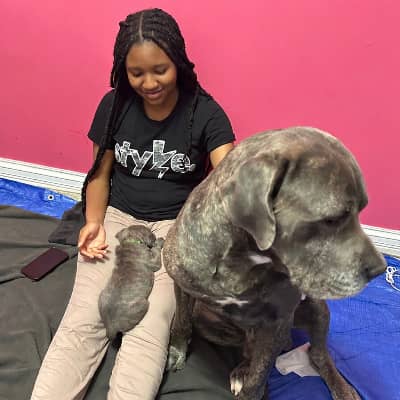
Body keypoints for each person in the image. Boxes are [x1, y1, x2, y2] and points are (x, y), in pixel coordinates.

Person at [30, 7, 235, 400]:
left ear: (178, 61)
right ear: (123, 70)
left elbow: (231, 183)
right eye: (136, 73)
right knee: (84, 317)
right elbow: (99, 175)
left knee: (151, 323)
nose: (149, 83)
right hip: (118, 219)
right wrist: (93, 222)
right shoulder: (114, 107)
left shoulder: (206, 114)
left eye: (160, 70)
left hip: (174, 229)